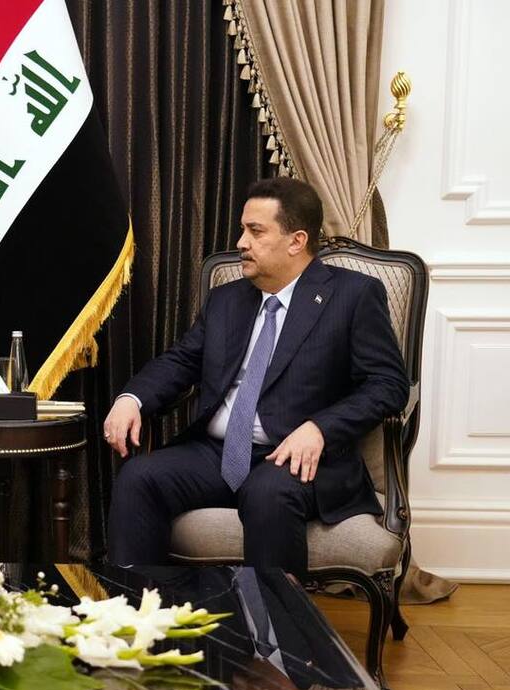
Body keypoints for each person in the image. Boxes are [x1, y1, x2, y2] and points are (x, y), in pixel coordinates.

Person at [103, 177, 409, 577]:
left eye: (255, 231)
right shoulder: (227, 299)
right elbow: (180, 361)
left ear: (296, 241)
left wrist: (320, 428)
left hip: (297, 458)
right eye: (242, 229)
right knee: (138, 477)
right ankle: (139, 610)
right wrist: (132, 399)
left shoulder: (353, 295)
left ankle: (274, 618)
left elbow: (388, 383)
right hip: (217, 453)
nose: (241, 242)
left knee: (267, 492)